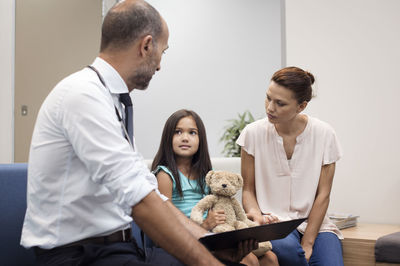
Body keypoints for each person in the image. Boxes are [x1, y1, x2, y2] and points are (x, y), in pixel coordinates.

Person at [20, 1, 257, 265]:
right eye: (162, 53)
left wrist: (207, 243)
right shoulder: (83, 96)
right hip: (77, 255)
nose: (159, 67)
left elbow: (152, 195)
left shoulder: (111, 101)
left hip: (114, 249)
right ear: (146, 46)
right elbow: (139, 200)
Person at [237, 66, 344, 266]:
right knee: (291, 254)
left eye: (280, 103)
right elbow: (248, 189)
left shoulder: (325, 134)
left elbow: (323, 195)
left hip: (316, 226)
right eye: (268, 98)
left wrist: (309, 242)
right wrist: (256, 216)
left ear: (301, 106)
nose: (270, 107)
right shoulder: (252, 134)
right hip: (272, 224)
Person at [151, 109, 278, 266]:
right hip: (187, 237)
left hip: (215, 234)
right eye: (177, 132)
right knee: (250, 260)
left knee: (270, 259)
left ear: (200, 139)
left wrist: (244, 220)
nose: (184, 138)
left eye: (192, 133)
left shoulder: (206, 175)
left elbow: (219, 206)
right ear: (167, 137)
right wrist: (205, 226)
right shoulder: (165, 175)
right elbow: (164, 219)